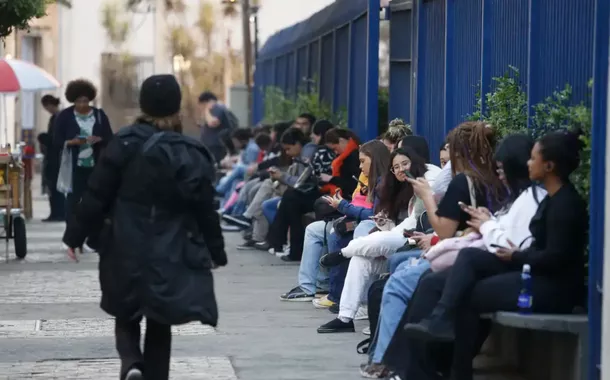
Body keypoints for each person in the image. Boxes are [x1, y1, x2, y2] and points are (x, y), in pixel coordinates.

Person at [62, 74, 227, 380]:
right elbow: (206, 209)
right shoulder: (190, 151)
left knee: (125, 313)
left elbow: (97, 194)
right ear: (176, 106)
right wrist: (216, 251)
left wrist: (74, 236)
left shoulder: (122, 143)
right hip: (171, 247)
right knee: (160, 320)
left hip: (124, 242)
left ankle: (131, 363)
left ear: (143, 104)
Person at [403, 130, 588, 380]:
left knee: (469, 292)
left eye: (534, 159)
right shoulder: (549, 199)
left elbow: (555, 258)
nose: (529, 164)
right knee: (469, 258)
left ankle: (452, 364)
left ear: (549, 165)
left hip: (551, 288)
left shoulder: (564, 204)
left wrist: (514, 255)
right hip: (534, 275)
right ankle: (442, 333)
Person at [360, 134, 542, 378]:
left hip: (489, 260)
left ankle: (392, 362)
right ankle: (410, 361)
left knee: (402, 282)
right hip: (476, 255)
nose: (444, 156)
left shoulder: (469, 183)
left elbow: (446, 231)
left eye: (449, 151)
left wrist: (428, 197)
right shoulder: (508, 191)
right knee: (409, 276)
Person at [316, 146, 429, 333]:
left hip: (412, 244)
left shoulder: (423, 185)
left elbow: (412, 224)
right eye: (396, 167)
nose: (401, 170)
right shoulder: (394, 187)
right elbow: (394, 224)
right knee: (360, 259)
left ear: (415, 163)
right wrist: (384, 222)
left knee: (375, 239)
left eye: (405, 164)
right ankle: (345, 317)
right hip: (396, 240)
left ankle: (343, 253)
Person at [279, 140, 390, 301]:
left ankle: (338, 293)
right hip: (353, 216)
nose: (360, 166)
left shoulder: (384, 181)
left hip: (365, 221)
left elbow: (374, 214)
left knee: (335, 231)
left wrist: (343, 206)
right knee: (314, 229)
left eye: (363, 162)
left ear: (375, 159)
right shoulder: (368, 177)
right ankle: (309, 287)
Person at [269, 128, 360, 261]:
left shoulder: (353, 157)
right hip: (330, 191)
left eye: (335, 149)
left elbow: (351, 184)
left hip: (340, 196)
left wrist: (331, 179)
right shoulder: (345, 155)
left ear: (341, 141)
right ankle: (283, 244)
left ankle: (286, 246)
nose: (335, 152)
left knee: (293, 199)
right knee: (291, 196)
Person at [53, 79, 113, 233]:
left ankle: (93, 233)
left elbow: (110, 138)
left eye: (85, 101)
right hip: (74, 165)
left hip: (96, 165)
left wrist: (99, 139)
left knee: (95, 200)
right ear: (73, 100)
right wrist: (72, 142)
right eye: (78, 101)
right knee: (72, 200)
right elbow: (57, 140)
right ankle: (71, 233)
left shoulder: (99, 115)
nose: (82, 104)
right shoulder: (65, 116)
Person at [40, 95, 64, 221]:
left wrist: (44, 138)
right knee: (53, 187)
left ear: (50, 105)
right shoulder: (56, 118)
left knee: (55, 186)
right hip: (54, 156)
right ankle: (55, 212)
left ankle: (58, 213)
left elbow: (56, 139)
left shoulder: (58, 118)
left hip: (56, 158)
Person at [198, 91, 239, 163]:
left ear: (205, 102)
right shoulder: (215, 109)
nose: (201, 107)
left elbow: (213, 123)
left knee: (215, 166)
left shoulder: (217, 108)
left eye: (202, 104)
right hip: (212, 145)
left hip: (215, 146)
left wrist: (206, 110)